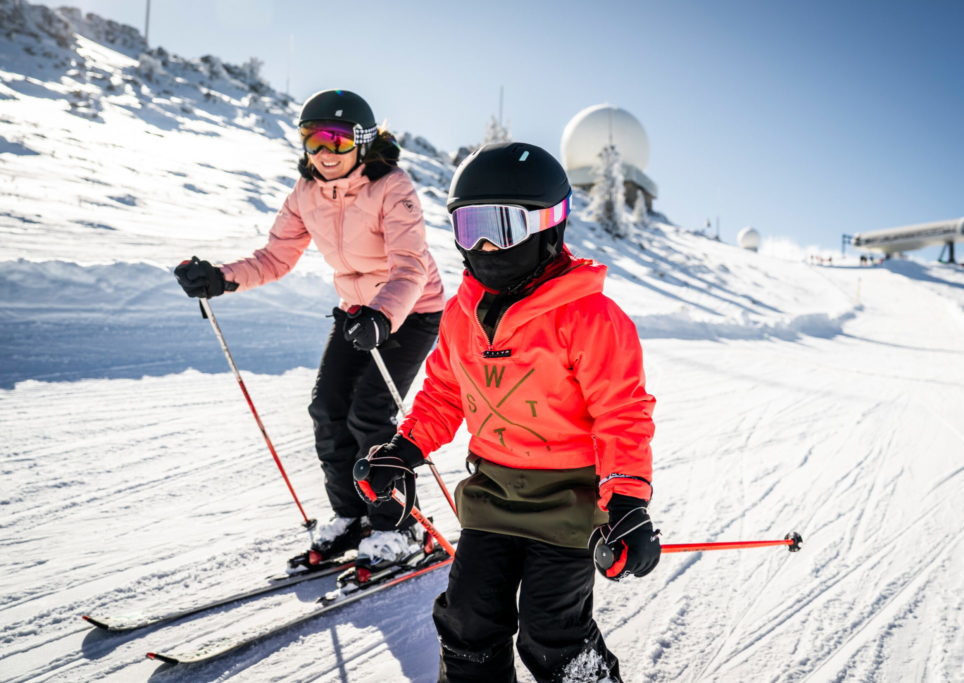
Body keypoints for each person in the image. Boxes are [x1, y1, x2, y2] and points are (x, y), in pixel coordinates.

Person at [357, 142, 661, 682]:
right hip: (492, 496)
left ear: (549, 229)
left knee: (551, 633)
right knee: (468, 622)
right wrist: (405, 449)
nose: (484, 245)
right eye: (469, 226)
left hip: (569, 504)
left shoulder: (591, 317)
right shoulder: (461, 314)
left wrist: (629, 501)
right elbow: (446, 392)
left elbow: (622, 413)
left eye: (502, 226)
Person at [173, 89, 445, 568]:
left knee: (369, 415)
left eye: (337, 142)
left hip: (409, 312)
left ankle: (399, 528)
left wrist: (383, 316)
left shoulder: (392, 186)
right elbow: (276, 257)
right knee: (326, 408)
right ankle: (350, 515)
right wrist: (221, 277)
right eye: (314, 140)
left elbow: (410, 267)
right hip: (357, 312)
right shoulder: (306, 193)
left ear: (361, 143)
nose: (324, 153)